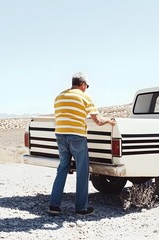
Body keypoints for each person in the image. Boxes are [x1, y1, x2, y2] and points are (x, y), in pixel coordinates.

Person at [48, 72, 115, 216]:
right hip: (77, 136)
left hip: (60, 135)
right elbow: (97, 120)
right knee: (83, 171)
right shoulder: (84, 97)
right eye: (87, 86)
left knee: (62, 169)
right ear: (83, 84)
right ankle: (81, 208)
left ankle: (54, 206)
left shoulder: (59, 96)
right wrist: (109, 120)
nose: (87, 88)